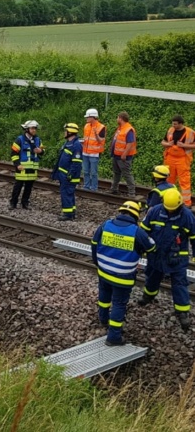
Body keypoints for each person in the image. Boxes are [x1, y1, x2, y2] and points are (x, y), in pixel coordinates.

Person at [91, 201, 155, 346]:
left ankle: (103, 318)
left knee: (104, 295)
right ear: (135, 215)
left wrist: (98, 264)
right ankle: (113, 336)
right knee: (119, 304)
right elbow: (151, 248)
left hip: (104, 271)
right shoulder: (136, 231)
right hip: (123, 276)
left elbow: (94, 245)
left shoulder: (105, 225)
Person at [138, 188, 195, 331]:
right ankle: (148, 296)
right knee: (152, 277)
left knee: (180, 283)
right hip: (156, 254)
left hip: (176, 258)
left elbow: (194, 238)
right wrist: (141, 249)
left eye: (173, 209)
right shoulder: (155, 211)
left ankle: (182, 311)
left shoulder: (187, 217)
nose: (170, 212)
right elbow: (143, 231)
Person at [161, 114, 195, 208]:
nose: (173, 126)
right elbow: (163, 142)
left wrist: (184, 146)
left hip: (183, 160)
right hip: (170, 159)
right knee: (168, 180)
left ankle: (186, 202)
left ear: (181, 124)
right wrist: (168, 143)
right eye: (173, 124)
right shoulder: (171, 130)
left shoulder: (190, 132)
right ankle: (169, 199)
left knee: (184, 181)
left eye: (175, 124)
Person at [9, 120, 44, 210]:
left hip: (32, 168)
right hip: (22, 168)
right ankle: (13, 203)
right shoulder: (19, 139)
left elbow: (42, 151)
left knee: (28, 187)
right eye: (32, 128)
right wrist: (17, 165)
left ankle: (25, 203)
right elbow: (13, 154)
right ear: (27, 129)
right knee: (18, 186)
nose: (34, 130)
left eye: (35, 128)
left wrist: (41, 151)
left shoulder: (38, 139)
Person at [52, 123, 83, 221]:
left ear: (70, 132)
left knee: (66, 193)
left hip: (68, 176)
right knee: (68, 193)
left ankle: (67, 214)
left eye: (66, 131)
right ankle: (71, 212)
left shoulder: (76, 145)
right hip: (63, 174)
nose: (64, 133)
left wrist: (70, 175)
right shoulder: (68, 143)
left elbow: (76, 163)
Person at [110, 111, 137, 198]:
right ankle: (114, 189)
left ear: (121, 118)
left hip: (123, 157)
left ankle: (132, 193)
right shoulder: (120, 128)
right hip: (116, 155)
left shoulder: (128, 129)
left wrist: (124, 154)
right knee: (116, 173)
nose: (116, 119)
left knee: (126, 174)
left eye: (117, 117)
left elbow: (130, 143)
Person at [81, 108, 106, 191]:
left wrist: (96, 134)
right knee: (86, 171)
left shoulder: (101, 127)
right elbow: (86, 138)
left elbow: (101, 141)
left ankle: (94, 188)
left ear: (93, 117)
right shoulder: (86, 126)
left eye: (88, 117)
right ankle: (86, 187)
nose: (86, 119)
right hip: (85, 152)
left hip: (94, 154)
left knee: (94, 173)